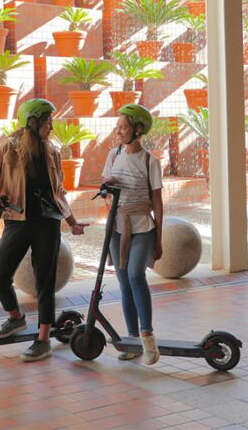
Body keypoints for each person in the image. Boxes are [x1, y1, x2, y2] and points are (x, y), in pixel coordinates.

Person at [0, 98, 88, 362]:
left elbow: (59, 192)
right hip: (17, 220)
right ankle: (16, 318)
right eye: (47, 119)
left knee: (44, 282)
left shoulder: (53, 152)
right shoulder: (9, 149)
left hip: (48, 224)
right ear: (32, 122)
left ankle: (43, 339)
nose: (52, 124)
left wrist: (72, 222)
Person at [102, 103, 163, 365]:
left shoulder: (150, 161)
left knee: (136, 275)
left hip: (143, 228)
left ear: (138, 129)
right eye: (117, 127)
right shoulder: (114, 154)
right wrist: (107, 189)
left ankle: (149, 341)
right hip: (117, 227)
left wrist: (159, 238)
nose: (119, 131)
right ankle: (131, 341)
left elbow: (158, 202)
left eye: (123, 127)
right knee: (124, 282)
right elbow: (104, 190)